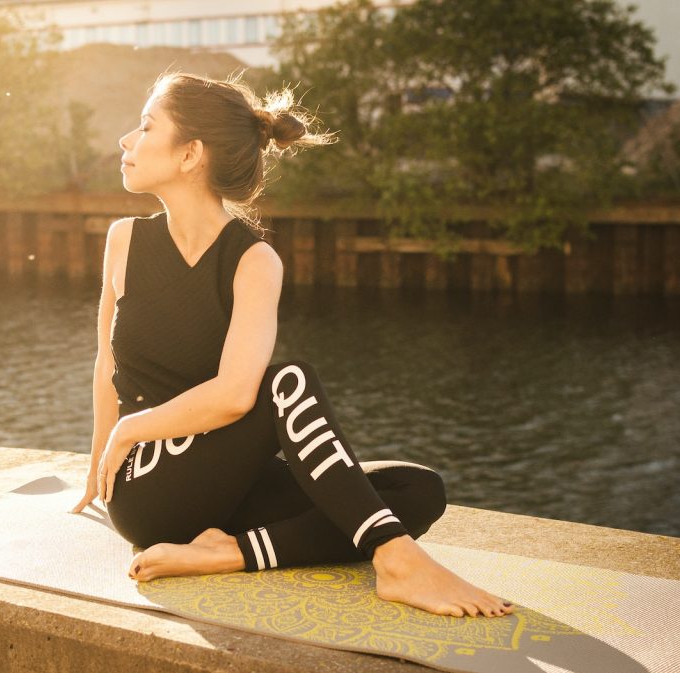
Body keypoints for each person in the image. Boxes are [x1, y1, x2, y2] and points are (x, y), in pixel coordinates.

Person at [71, 70, 514, 619]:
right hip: (149, 487)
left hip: (225, 485)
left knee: (418, 491)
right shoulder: (125, 241)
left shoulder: (254, 262)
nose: (126, 141)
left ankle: (229, 552)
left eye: (144, 126)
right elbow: (106, 364)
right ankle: (396, 562)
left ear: (190, 155)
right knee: (290, 382)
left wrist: (126, 428)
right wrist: (100, 465)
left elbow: (233, 397)